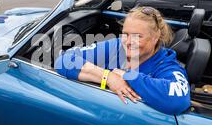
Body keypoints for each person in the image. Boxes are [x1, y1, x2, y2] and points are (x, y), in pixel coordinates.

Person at [55, 6, 191, 115]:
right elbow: (63, 61)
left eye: (138, 36)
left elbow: (177, 100)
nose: (129, 42)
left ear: (155, 37)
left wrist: (128, 76)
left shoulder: (165, 64)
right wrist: (108, 77)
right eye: (126, 34)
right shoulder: (117, 45)